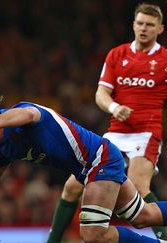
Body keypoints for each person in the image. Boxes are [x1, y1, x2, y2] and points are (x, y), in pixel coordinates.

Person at [0, 102, 167, 243]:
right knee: (142, 216)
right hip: (91, 167)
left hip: (98, 160)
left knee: (93, 232)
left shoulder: (19, 114)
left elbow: (30, 114)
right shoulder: (2, 149)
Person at [47, 3, 167, 242]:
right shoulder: (117, 54)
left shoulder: (164, 59)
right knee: (72, 187)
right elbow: (101, 94)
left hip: (146, 133)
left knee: (138, 187)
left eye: (150, 25)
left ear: (160, 29)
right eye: (140, 23)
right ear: (133, 25)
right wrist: (114, 107)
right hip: (115, 133)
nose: (144, 28)